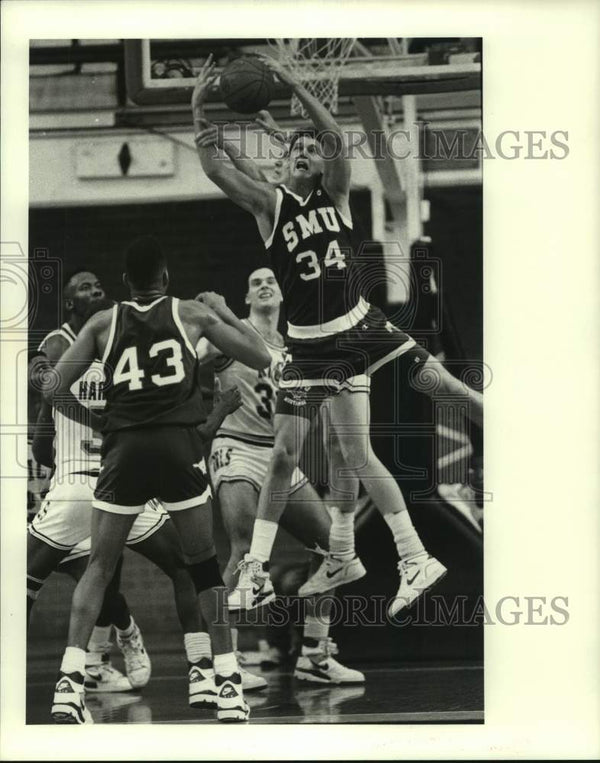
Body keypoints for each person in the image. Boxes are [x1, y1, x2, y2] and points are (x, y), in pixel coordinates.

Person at [192, 55, 484, 617]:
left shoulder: (338, 195)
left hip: (361, 328)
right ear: (283, 162)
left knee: (448, 390)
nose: (306, 151)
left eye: (310, 149)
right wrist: (199, 106)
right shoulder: (269, 206)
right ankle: (395, 557)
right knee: (322, 454)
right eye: (295, 149)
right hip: (311, 349)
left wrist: (294, 82)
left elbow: (335, 137)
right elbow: (213, 165)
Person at [45, 236, 271, 723]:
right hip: (178, 449)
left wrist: (98, 422)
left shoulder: (105, 322)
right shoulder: (190, 314)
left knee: (99, 568)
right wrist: (225, 312)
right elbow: (262, 356)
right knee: (205, 568)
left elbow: (52, 387)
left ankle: (69, 685)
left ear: (126, 284)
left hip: (124, 450)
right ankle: (227, 684)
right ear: (166, 279)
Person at [197, 267, 364, 684]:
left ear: (283, 293)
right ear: (247, 297)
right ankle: (225, 662)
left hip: (281, 460)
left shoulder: (294, 346)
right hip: (235, 448)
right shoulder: (228, 334)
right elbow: (196, 356)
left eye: (272, 280)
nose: (266, 285)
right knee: (242, 547)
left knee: (333, 549)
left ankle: (314, 655)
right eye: (256, 282)